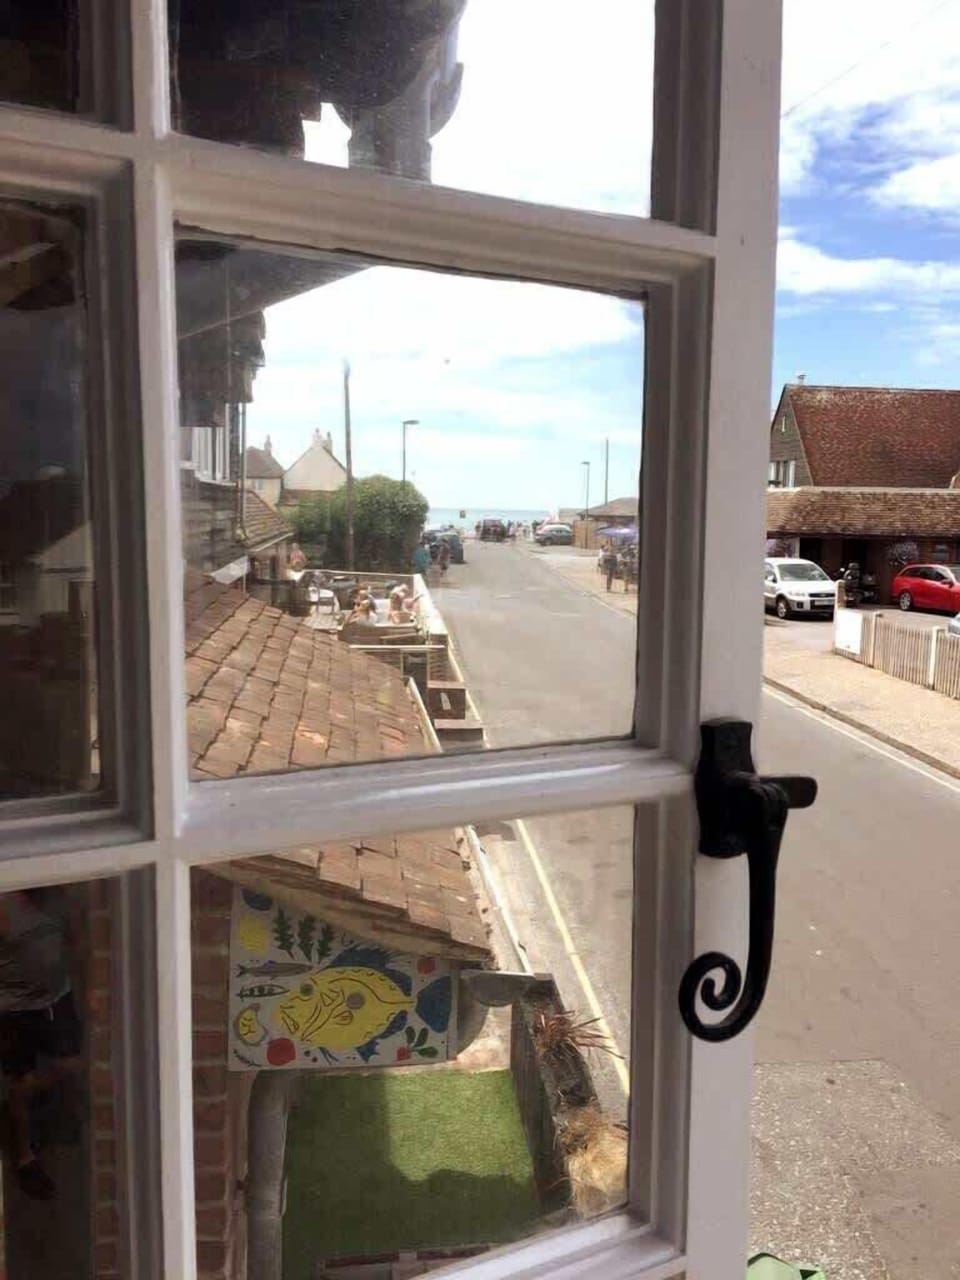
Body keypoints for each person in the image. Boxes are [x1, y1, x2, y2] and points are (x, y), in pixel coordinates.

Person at [0, 887, 84, 1200]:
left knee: (70, 1065)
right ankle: (25, 1156)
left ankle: (26, 1094)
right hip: (12, 1008)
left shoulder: (59, 893)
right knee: (20, 1082)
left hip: (56, 997)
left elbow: (75, 937)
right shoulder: (5, 901)